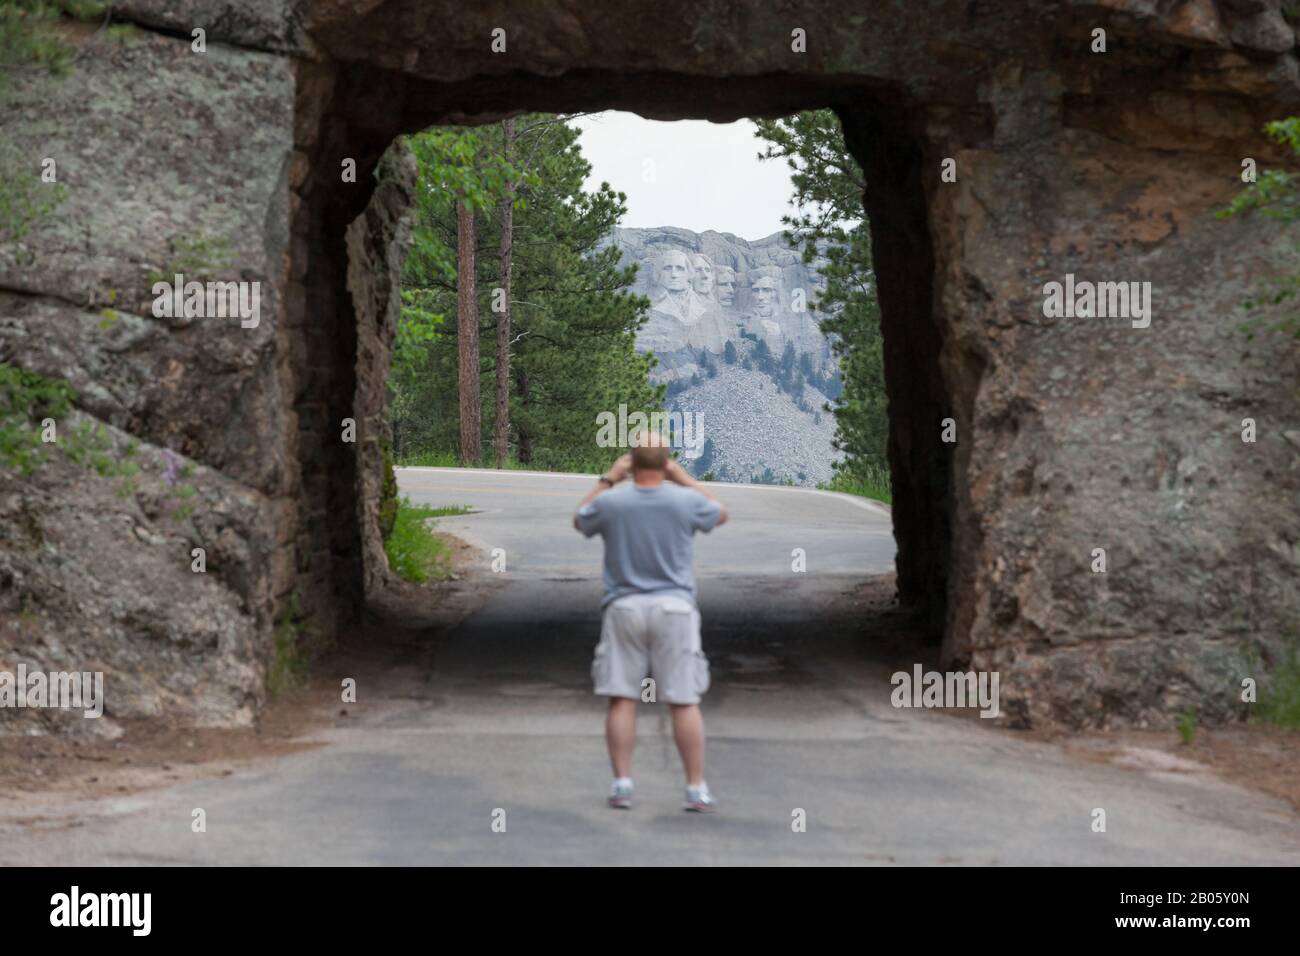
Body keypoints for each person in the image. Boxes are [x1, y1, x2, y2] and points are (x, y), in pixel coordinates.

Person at [573, 431, 728, 812]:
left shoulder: (612, 502)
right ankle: (694, 788)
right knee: (683, 699)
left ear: (631, 462)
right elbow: (721, 513)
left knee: (623, 697)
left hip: (624, 607)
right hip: (675, 608)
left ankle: (622, 784)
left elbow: (580, 520)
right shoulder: (685, 501)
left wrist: (609, 478)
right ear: (665, 463)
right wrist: (683, 478)